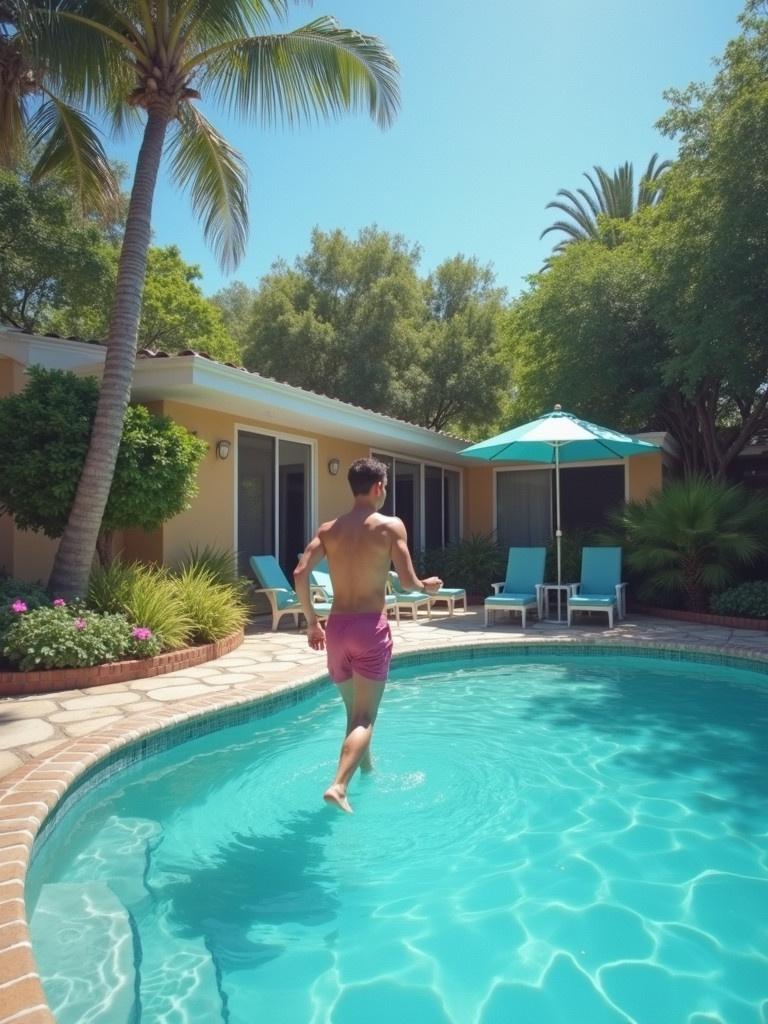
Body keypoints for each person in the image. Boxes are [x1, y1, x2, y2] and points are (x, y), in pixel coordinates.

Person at [294, 457, 442, 813]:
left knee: (353, 713)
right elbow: (407, 584)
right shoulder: (390, 527)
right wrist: (429, 586)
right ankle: (339, 786)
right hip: (369, 628)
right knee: (365, 718)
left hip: (337, 629)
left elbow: (300, 573)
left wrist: (312, 622)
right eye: (386, 487)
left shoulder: (329, 529)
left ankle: (366, 771)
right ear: (378, 487)